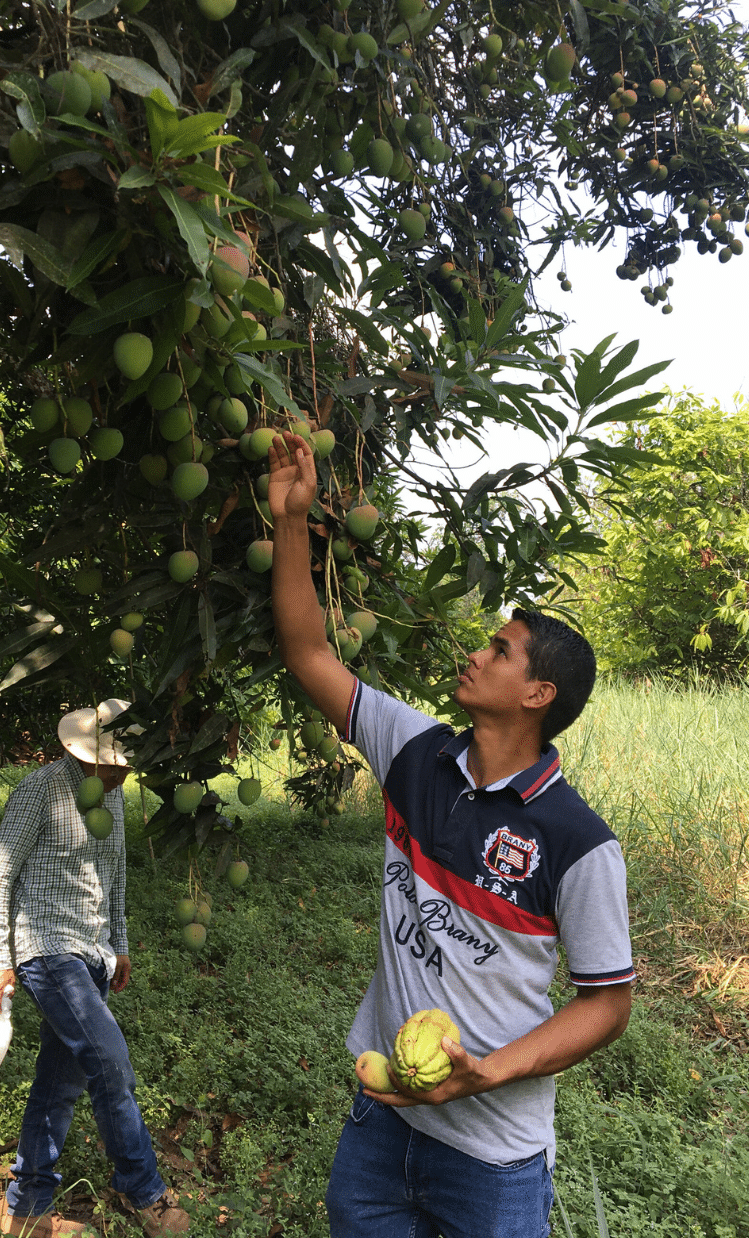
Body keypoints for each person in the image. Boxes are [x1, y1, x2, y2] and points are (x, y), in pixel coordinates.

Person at [268, 431, 634, 1238]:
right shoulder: (413, 750)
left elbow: (608, 1004)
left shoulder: (578, 843)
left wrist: (485, 1074)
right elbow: (306, 650)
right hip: (381, 1122)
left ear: (538, 693)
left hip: (493, 1159)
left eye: (497, 651)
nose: (475, 653)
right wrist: (292, 521)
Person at [0, 700, 190, 1238]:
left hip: (90, 952)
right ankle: (142, 1188)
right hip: (46, 951)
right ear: (86, 755)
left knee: (58, 1083)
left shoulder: (111, 798)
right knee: (110, 1062)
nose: (123, 773)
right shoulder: (41, 789)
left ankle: (26, 1206)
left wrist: (117, 943)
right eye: (115, 764)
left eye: (127, 765)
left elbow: (113, 874)